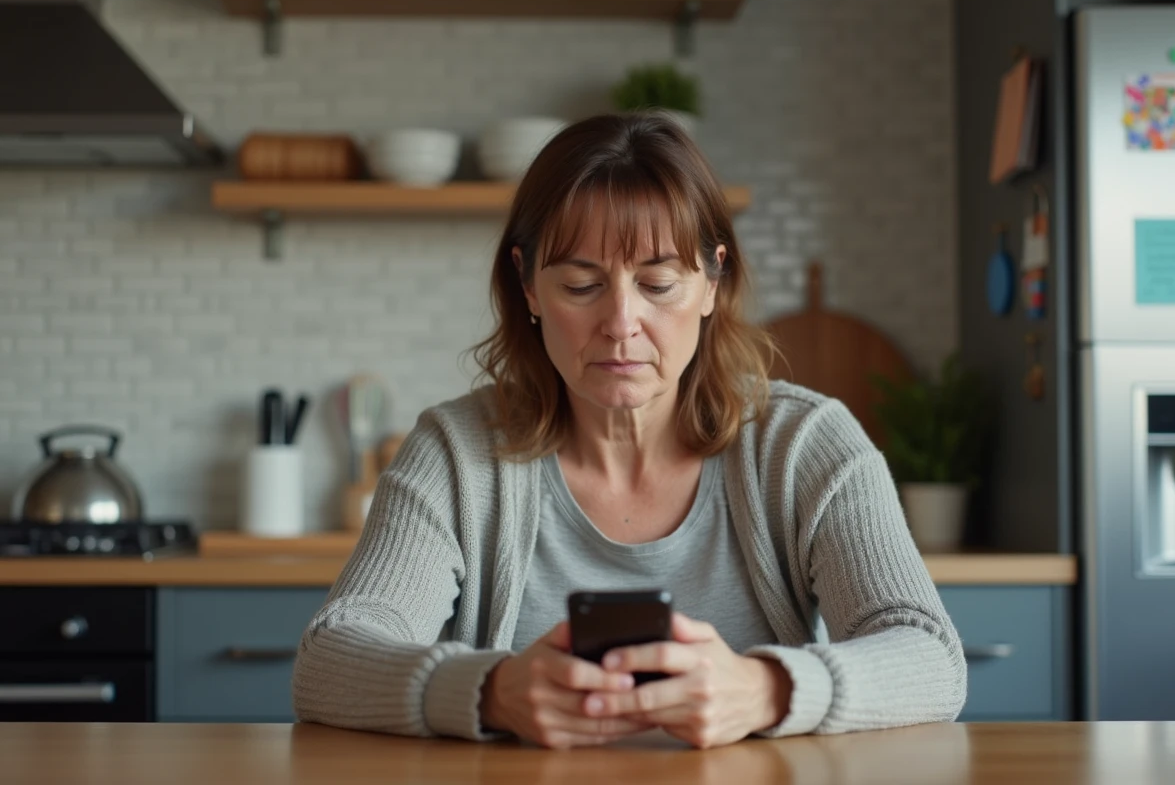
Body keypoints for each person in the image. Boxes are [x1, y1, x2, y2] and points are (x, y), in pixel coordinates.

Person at [292, 112, 966, 750]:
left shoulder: (807, 443)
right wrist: (491, 692)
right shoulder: (456, 452)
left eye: (658, 284)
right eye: (581, 286)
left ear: (711, 282)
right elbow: (329, 659)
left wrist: (766, 689)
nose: (620, 322)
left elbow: (931, 656)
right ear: (527, 288)